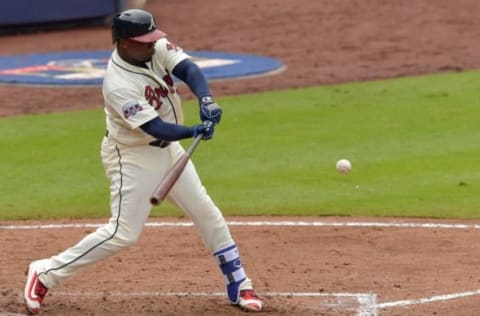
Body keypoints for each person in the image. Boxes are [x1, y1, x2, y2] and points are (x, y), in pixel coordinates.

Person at [24, 8, 263, 314]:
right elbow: (155, 128)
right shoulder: (117, 83)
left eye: (153, 39)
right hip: (133, 156)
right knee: (122, 233)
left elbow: (189, 69)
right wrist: (193, 130)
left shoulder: (154, 47)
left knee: (207, 213)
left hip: (169, 151)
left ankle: (239, 284)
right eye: (144, 41)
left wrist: (206, 99)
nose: (152, 45)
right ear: (123, 43)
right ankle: (44, 273)